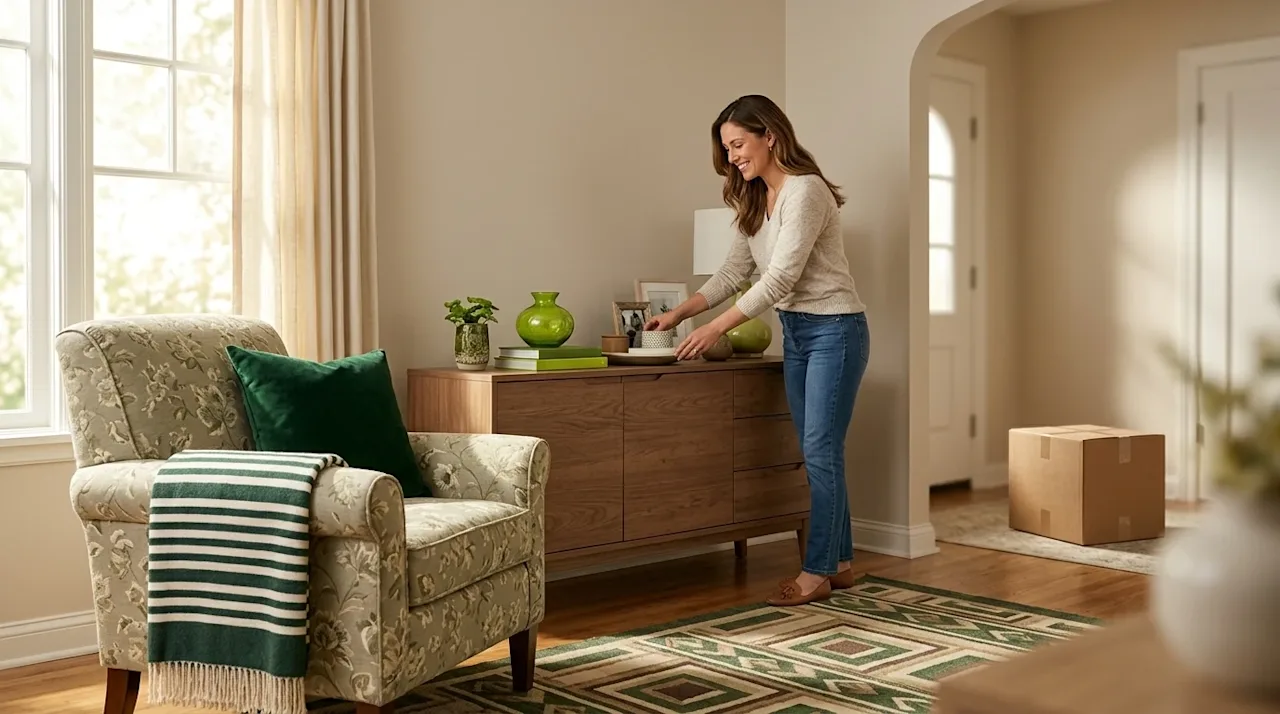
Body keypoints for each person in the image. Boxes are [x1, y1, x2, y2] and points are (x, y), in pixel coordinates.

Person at [645, 94, 869, 607]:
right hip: (798, 332)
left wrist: (715, 329)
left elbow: (782, 276)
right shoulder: (754, 199)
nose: (732, 157)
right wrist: (681, 314)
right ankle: (842, 563)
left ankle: (816, 570)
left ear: (770, 135)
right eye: (726, 149)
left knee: (818, 451)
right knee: (821, 452)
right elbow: (733, 273)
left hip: (835, 329)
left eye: (738, 144)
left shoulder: (805, 192)